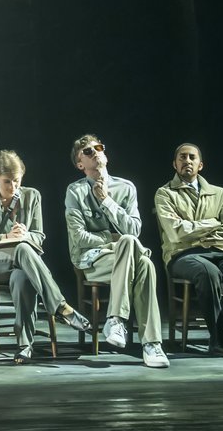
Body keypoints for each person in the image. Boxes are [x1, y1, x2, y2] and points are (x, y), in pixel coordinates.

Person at [0, 149, 92, 363]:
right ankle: (61, 306)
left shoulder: (32, 195)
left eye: (17, 181)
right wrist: (7, 236)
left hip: (23, 264)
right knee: (23, 249)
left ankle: (24, 346)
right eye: (7, 181)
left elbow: (39, 236)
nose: (13, 187)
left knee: (22, 277)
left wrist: (26, 235)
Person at [63, 134, 169, 368]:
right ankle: (150, 343)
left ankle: (117, 321)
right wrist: (110, 240)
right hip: (93, 260)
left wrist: (108, 202)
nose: (96, 152)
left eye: (98, 148)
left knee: (137, 253)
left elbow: (134, 229)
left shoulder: (125, 188)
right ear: (80, 164)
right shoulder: (75, 191)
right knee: (136, 253)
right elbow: (79, 238)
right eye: (88, 152)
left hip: (124, 255)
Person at [154, 142, 223, 358]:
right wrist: (213, 223)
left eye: (192, 157)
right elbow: (177, 232)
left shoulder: (220, 194)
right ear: (175, 164)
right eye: (182, 157)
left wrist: (197, 233)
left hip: (220, 252)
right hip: (182, 255)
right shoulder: (165, 193)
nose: (187, 161)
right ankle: (218, 340)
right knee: (208, 271)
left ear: (200, 165)